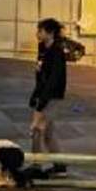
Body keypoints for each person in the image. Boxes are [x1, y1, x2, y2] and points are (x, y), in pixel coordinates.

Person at [29, 18, 67, 175]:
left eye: (40, 31)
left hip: (53, 96)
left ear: (50, 33)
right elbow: (40, 74)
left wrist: (43, 101)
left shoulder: (57, 52)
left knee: (37, 128)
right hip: (43, 94)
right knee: (46, 133)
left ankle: (36, 165)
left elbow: (54, 79)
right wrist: (35, 94)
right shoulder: (42, 48)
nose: (37, 34)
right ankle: (60, 166)